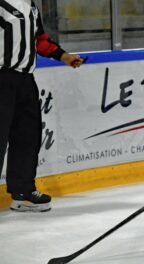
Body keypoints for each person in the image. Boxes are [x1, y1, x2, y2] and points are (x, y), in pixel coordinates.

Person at [0, 0, 85, 212]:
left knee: (28, 136)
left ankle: (22, 191)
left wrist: (63, 56)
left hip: (25, 80)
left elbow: (39, 40)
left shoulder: (30, 4)